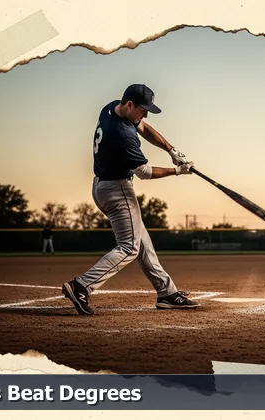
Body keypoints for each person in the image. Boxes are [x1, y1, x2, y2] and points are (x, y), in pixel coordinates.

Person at [61, 83, 200, 315]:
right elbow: (144, 173)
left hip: (102, 185)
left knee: (142, 242)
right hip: (117, 191)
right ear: (129, 104)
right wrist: (177, 171)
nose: (145, 113)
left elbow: (143, 127)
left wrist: (171, 150)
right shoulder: (123, 136)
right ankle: (81, 285)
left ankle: (166, 292)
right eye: (142, 109)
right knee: (129, 247)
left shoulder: (111, 108)